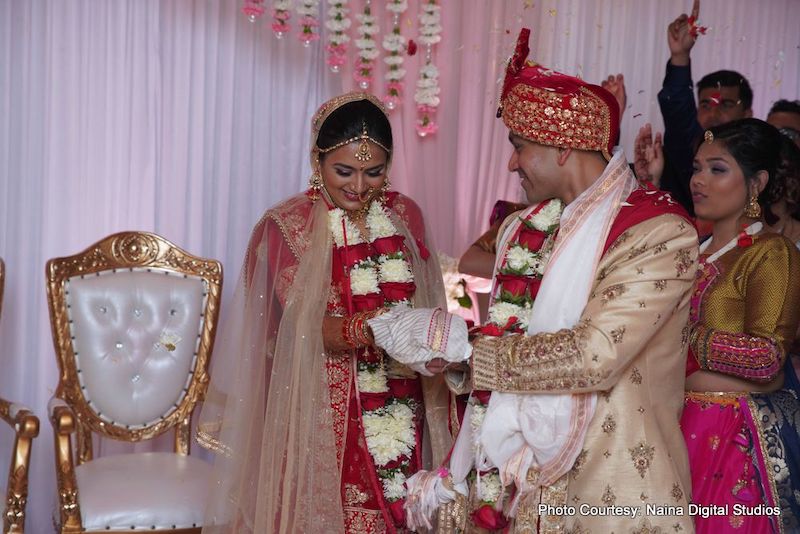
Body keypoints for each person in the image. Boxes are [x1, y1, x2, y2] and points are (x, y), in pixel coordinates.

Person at [396, 29, 699, 532]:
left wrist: (472, 352)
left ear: (562, 146)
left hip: (613, 488)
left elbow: (596, 353)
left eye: (519, 145)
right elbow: (507, 335)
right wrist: (450, 357)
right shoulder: (521, 228)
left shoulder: (659, 232)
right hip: (518, 491)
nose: (512, 162)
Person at [196, 92, 453, 533]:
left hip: (397, 397)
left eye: (374, 172)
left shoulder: (406, 215)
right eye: (344, 171)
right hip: (315, 407)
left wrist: (433, 342)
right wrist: (377, 330)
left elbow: (426, 306)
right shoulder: (285, 226)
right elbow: (301, 327)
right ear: (317, 161)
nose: (358, 186)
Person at [681, 118, 800, 533]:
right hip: (673, 421)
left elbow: (767, 359)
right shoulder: (690, 250)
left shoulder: (770, 253)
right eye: (697, 167)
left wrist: (680, 340)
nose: (699, 180)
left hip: (732, 438)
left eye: (717, 169)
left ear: (756, 183)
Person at [654, 0, 753, 214]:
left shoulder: (758, 158)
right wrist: (680, 57)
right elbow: (679, 112)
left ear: (747, 114)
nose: (713, 113)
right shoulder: (690, 148)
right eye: (705, 104)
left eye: (725, 105)